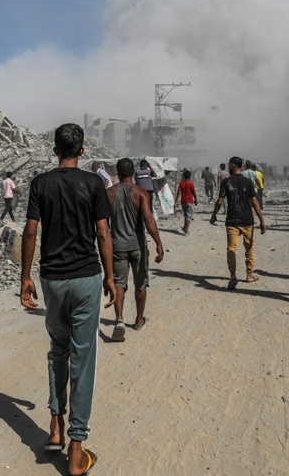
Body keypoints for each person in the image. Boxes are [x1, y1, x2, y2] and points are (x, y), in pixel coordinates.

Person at [20, 123, 116, 476]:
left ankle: (55, 424)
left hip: (53, 280)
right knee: (83, 357)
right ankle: (76, 449)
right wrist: (110, 276)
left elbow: (31, 230)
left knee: (58, 350)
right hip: (87, 276)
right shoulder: (93, 184)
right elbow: (102, 231)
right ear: (82, 150)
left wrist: (25, 278)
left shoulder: (40, 183)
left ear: (54, 150)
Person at [106, 157, 165, 340]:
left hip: (117, 247)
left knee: (119, 283)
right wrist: (158, 243)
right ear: (133, 173)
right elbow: (148, 219)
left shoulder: (109, 193)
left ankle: (119, 320)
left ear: (117, 172)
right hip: (138, 246)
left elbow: (102, 225)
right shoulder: (140, 193)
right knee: (140, 283)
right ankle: (139, 320)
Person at [210, 156, 267, 289]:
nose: (228, 167)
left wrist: (213, 216)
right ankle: (249, 275)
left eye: (229, 165)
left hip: (232, 221)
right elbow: (255, 202)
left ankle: (233, 276)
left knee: (231, 248)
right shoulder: (248, 182)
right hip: (247, 220)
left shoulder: (226, 182)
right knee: (249, 248)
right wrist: (262, 220)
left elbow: (219, 201)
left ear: (233, 166)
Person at [176, 169, 197, 235]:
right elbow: (194, 193)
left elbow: (178, 192)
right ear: (189, 177)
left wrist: (176, 200)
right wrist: (196, 200)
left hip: (183, 202)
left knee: (186, 214)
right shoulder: (191, 184)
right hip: (189, 201)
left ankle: (185, 227)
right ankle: (186, 231)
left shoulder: (181, 184)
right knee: (189, 216)